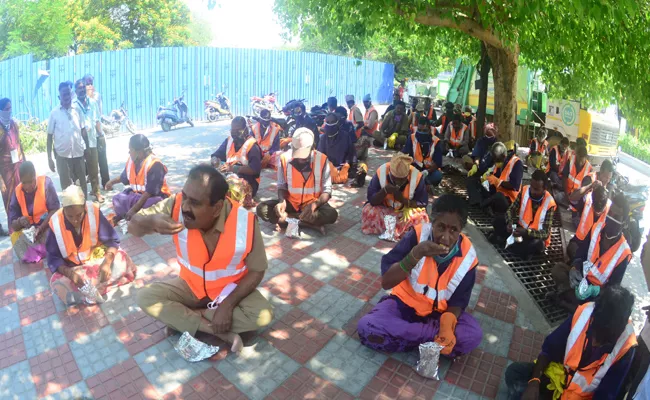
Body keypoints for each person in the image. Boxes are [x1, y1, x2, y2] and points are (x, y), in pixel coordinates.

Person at [132, 165, 274, 352]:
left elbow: (257, 270)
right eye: (185, 197)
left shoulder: (245, 222)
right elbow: (133, 226)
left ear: (216, 208)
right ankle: (216, 331)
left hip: (227, 291)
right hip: (190, 287)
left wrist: (228, 306)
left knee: (262, 315)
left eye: (195, 203)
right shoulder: (175, 205)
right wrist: (150, 222)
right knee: (146, 297)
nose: (185, 207)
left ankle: (185, 319)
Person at [357, 194, 482, 356]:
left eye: (453, 230)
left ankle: (410, 339)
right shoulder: (416, 237)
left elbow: (459, 301)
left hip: (440, 315)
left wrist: (447, 326)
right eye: (440, 227)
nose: (445, 237)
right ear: (432, 222)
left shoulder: (468, 256)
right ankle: (433, 341)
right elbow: (387, 282)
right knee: (367, 326)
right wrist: (416, 253)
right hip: (403, 306)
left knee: (472, 336)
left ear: (461, 230)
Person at [505, 285, 636, 400]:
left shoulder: (626, 349)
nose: (595, 343)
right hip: (559, 381)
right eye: (595, 334)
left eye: (605, 340)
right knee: (514, 372)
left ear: (619, 331)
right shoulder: (586, 313)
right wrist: (534, 382)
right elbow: (548, 350)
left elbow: (605, 395)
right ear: (593, 319)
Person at [48, 185, 136, 307]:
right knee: (57, 282)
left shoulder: (93, 211)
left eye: (79, 215)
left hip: (97, 261)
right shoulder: (55, 222)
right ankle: (98, 286)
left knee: (122, 257)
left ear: (84, 207)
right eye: (70, 216)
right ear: (63, 211)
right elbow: (53, 258)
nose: (75, 220)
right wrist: (70, 274)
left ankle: (87, 292)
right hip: (75, 270)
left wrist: (107, 262)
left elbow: (112, 240)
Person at [551, 193, 632, 310]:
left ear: (624, 223)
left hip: (595, 293)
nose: (611, 218)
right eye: (610, 213)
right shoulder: (597, 228)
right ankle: (572, 302)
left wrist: (595, 291)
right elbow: (582, 251)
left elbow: (613, 287)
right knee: (558, 269)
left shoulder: (623, 253)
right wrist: (575, 266)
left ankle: (568, 301)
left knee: (598, 306)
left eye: (617, 217)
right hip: (581, 278)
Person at [257, 128, 338, 233]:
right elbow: (282, 185)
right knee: (262, 209)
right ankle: (308, 224)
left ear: (313, 148)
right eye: (298, 156)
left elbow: (327, 190)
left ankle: (287, 220)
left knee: (331, 215)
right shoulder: (284, 158)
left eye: (304, 157)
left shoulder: (322, 159)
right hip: (291, 203)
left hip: (313, 205)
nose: (301, 160)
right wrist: (282, 201)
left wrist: (315, 205)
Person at [361, 153, 429, 240]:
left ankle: (392, 230)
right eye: (395, 178)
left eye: (402, 179)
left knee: (422, 217)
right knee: (368, 210)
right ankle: (398, 231)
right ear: (390, 172)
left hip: (404, 212)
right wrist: (384, 191)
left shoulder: (417, 176)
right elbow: (371, 200)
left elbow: (422, 203)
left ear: (408, 174)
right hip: (384, 209)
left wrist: (402, 200)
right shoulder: (381, 171)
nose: (398, 183)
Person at [105, 134, 171, 222]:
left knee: (153, 204)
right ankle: (136, 217)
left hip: (153, 197)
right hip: (136, 196)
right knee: (117, 199)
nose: (129, 152)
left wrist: (134, 209)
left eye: (130, 150)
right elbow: (124, 177)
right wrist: (111, 182)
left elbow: (150, 193)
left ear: (139, 152)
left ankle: (134, 215)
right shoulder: (131, 161)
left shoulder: (155, 164)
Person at [491, 170, 556, 258]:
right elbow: (511, 209)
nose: (532, 191)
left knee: (535, 244)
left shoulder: (549, 203)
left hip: (533, 236)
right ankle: (512, 245)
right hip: (520, 230)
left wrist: (527, 232)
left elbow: (545, 234)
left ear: (544, 189)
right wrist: (509, 222)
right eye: (532, 187)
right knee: (498, 220)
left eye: (536, 189)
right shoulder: (525, 190)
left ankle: (509, 244)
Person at [9, 162, 60, 262]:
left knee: (56, 231)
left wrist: (40, 228)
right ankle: (43, 250)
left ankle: (39, 250)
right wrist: (20, 221)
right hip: (29, 232)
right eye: (24, 182)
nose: (27, 186)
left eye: (30, 181)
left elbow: (55, 210)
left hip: (46, 227)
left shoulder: (46, 183)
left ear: (35, 176)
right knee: (14, 237)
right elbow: (13, 224)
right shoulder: (17, 191)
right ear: (20, 180)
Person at [47, 81, 89, 199]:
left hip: (78, 154)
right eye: (64, 94)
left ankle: (83, 209)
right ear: (59, 96)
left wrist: (87, 147)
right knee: (67, 188)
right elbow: (49, 136)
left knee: (82, 186)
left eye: (68, 94)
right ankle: (69, 212)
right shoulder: (54, 113)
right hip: (62, 157)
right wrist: (49, 158)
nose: (67, 97)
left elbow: (83, 130)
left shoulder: (77, 110)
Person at [467, 141, 523, 216]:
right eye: (495, 160)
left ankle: (482, 205)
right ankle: (481, 204)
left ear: (504, 156)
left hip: (507, 200)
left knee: (498, 196)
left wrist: (498, 182)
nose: (496, 162)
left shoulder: (517, 163)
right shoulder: (498, 162)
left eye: (497, 160)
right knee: (471, 180)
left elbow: (515, 185)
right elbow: (490, 176)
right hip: (493, 195)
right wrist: (486, 178)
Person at [211, 116, 262, 198]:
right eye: (233, 130)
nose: (234, 133)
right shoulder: (229, 141)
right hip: (230, 176)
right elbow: (218, 154)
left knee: (228, 189)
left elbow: (255, 169)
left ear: (245, 130)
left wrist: (233, 168)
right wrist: (214, 161)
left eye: (238, 130)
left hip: (248, 182)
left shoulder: (252, 146)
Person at [73, 79, 104, 203]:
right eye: (79, 88)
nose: (81, 90)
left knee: (94, 168)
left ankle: (96, 192)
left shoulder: (92, 102)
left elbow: (97, 120)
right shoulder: (73, 105)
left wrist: (101, 135)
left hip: (91, 140)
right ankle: (80, 195)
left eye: (83, 87)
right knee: (79, 170)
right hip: (78, 142)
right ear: (75, 91)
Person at [0, 98, 25, 235]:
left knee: (21, 195)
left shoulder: (14, 124)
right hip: (5, 170)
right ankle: (13, 228)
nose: (9, 111)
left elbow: (19, 144)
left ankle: (23, 222)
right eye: (6, 109)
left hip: (18, 166)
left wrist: (26, 164)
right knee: (9, 199)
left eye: (10, 108)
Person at [565, 184, 610, 261]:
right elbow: (572, 198)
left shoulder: (611, 211)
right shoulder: (587, 200)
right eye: (595, 209)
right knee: (571, 249)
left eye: (600, 210)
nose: (598, 213)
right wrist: (589, 186)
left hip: (596, 249)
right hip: (580, 241)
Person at [402, 116, 443, 189]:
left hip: (428, 172)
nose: (421, 133)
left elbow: (438, 163)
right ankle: (421, 183)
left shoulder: (436, 141)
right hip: (413, 169)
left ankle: (418, 182)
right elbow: (405, 156)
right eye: (419, 130)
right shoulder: (411, 138)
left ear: (429, 130)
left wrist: (427, 171)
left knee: (438, 175)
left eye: (424, 131)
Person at [83, 74, 110, 189]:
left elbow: (98, 114)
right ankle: (94, 186)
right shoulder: (80, 98)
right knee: (90, 161)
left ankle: (106, 183)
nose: (89, 86)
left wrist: (101, 133)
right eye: (87, 83)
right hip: (87, 136)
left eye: (91, 83)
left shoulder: (98, 96)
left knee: (102, 158)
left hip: (97, 132)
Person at [317, 112, 357, 184]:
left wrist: (347, 164)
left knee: (361, 168)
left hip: (343, 167)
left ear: (337, 123)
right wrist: (329, 165)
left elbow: (351, 153)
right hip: (328, 168)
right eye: (328, 122)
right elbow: (320, 156)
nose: (330, 124)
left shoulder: (345, 136)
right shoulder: (323, 138)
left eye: (332, 122)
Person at [359, 94, 378, 161]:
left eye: (366, 102)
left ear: (370, 102)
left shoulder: (373, 111)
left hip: (370, 134)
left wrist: (361, 127)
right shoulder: (367, 110)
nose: (364, 104)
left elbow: (370, 126)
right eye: (364, 103)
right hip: (366, 132)